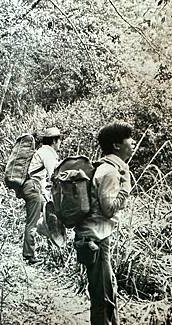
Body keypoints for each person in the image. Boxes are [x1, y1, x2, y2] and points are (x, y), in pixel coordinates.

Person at [74, 122, 135, 325]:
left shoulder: (102, 166)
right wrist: (126, 188)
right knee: (102, 294)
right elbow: (109, 208)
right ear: (117, 145)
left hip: (92, 235)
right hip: (96, 238)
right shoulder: (110, 172)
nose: (133, 142)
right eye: (129, 138)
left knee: (105, 289)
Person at [20, 126, 62, 264]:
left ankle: (51, 249)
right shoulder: (47, 153)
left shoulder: (42, 151)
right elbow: (54, 175)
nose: (59, 143)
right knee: (32, 222)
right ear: (54, 141)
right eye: (59, 140)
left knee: (49, 216)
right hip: (33, 188)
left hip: (34, 187)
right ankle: (29, 256)